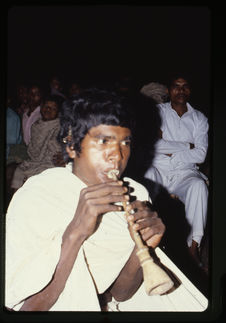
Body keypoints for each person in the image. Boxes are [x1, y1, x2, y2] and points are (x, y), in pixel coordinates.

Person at [5, 88, 207, 312]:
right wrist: (76, 232)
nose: (118, 156)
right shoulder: (38, 195)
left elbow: (121, 293)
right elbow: (29, 308)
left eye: (125, 143)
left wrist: (143, 248)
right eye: (103, 141)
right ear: (72, 144)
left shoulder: (136, 193)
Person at [144, 76, 209, 264]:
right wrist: (187, 145)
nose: (181, 90)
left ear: (190, 90)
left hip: (184, 172)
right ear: (169, 90)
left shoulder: (199, 118)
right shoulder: (157, 112)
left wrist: (171, 151)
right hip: (158, 168)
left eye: (185, 86)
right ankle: (146, 243)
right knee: (146, 176)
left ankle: (193, 247)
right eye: (176, 86)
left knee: (198, 186)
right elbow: (152, 144)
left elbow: (201, 155)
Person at [11, 95, 62, 190]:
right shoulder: (35, 125)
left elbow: (56, 152)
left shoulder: (60, 127)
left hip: (50, 164)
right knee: (18, 172)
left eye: (53, 108)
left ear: (58, 112)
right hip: (34, 161)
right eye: (46, 106)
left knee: (31, 179)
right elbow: (32, 149)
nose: (48, 110)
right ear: (41, 107)